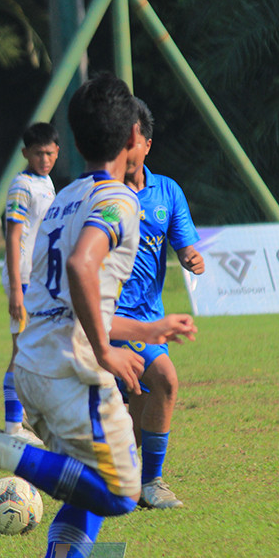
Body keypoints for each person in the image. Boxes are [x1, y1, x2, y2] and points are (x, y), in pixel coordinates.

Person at [0, 73, 196, 558]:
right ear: (133, 137)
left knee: (87, 486)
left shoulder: (63, 198)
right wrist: (107, 350)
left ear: (76, 142)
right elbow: (84, 266)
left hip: (35, 360)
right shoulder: (118, 200)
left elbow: (67, 296)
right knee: (122, 493)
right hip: (71, 367)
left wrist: (148, 327)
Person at [109, 98, 203, 509]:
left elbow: (184, 244)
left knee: (147, 397)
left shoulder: (167, 191)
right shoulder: (102, 194)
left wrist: (191, 257)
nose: (124, 149)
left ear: (146, 144)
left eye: (130, 141)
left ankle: (138, 482)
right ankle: (146, 482)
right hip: (107, 318)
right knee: (157, 383)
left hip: (149, 319)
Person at [1, 122, 59, 441]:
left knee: (41, 348)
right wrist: (15, 290)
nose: (44, 159)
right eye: (38, 153)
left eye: (49, 153)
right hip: (22, 278)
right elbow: (13, 236)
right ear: (25, 153)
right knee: (20, 351)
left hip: (39, 279)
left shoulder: (46, 182)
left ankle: (28, 415)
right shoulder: (22, 185)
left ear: (57, 152)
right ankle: (12, 427)